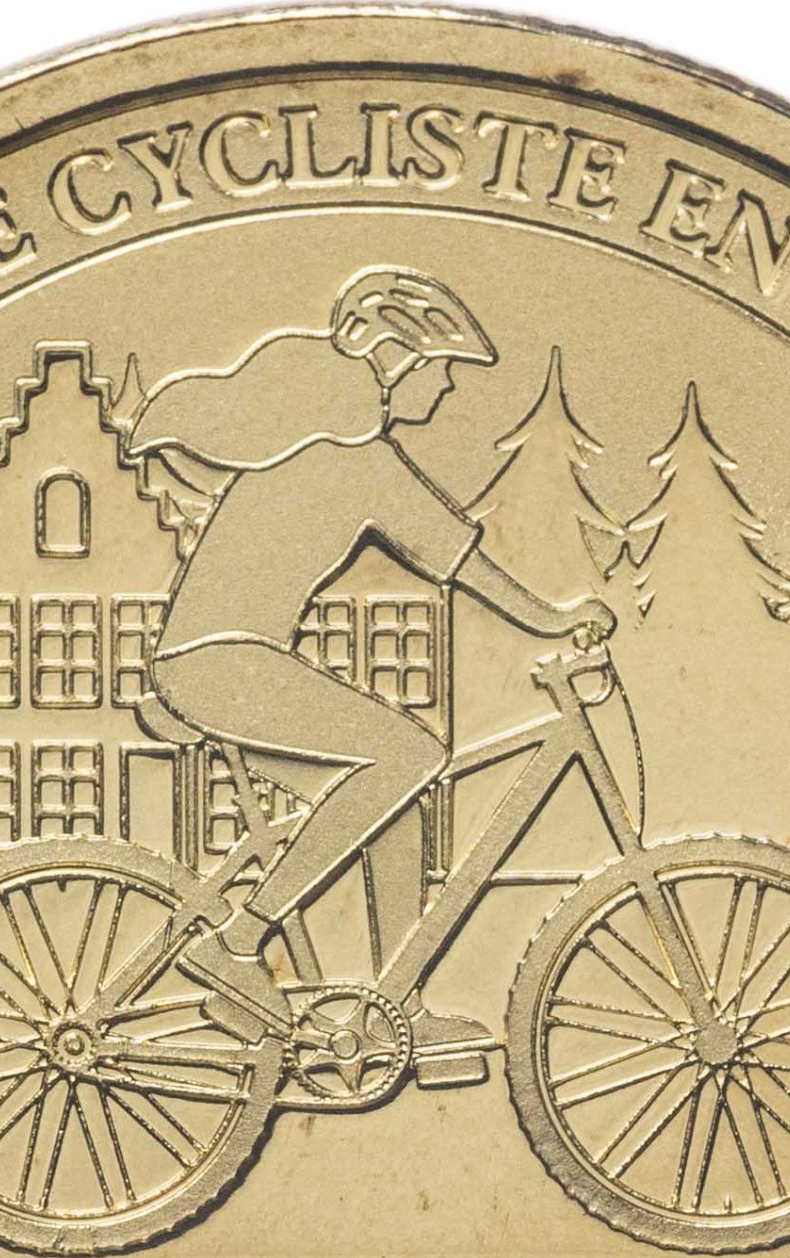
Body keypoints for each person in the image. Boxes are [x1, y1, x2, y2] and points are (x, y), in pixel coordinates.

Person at [127, 268, 615, 1042]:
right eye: (443, 369)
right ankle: (241, 939)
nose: (447, 389)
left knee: (393, 798)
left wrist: (551, 624)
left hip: (222, 664)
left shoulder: (333, 446)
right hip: (218, 661)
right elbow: (461, 563)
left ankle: (396, 1011)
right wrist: (554, 621)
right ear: (396, 359)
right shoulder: (355, 457)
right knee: (412, 753)